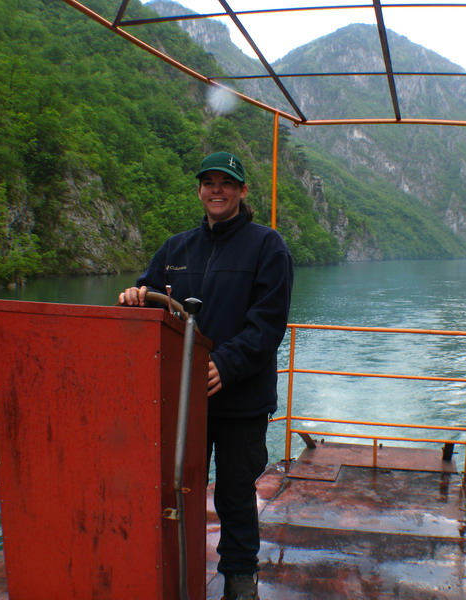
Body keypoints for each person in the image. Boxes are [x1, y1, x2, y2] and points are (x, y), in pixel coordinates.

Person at [119, 151, 294, 600]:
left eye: (227, 183)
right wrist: (136, 295)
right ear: (199, 190)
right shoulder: (175, 248)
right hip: (181, 399)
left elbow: (268, 323)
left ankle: (240, 577)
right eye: (209, 182)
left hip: (242, 399)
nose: (217, 190)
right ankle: (176, 568)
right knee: (177, 488)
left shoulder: (267, 246)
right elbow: (151, 294)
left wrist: (225, 365)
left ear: (242, 191)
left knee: (234, 492)